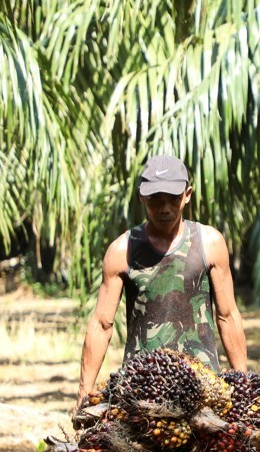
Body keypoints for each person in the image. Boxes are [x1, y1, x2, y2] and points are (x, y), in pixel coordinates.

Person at [74, 154, 248, 417]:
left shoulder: (209, 243)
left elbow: (227, 316)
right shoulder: (123, 250)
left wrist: (243, 386)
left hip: (202, 388)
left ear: (187, 195)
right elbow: (101, 323)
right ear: (142, 197)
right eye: (156, 199)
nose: (165, 208)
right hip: (141, 390)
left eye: (173, 198)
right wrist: (84, 393)